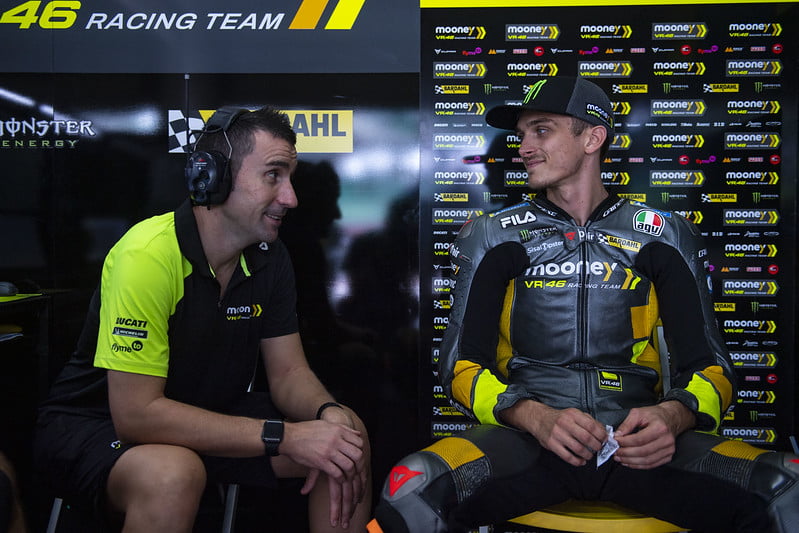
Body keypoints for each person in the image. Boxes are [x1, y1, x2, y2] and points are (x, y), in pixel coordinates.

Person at [368, 77, 799, 532]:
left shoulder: (664, 235)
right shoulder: (493, 235)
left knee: (787, 487)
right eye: (522, 134)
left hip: (637, 444)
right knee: (411, 489)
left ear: (593, 138)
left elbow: (713, 368)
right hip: (527, 441)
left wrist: (673, 416)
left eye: (541, 130)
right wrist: (533, 415)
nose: (524, 148)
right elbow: (460, 367)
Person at [34, 106, 371, 532]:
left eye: (290, 178)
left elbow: (288, 373)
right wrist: (285, 436)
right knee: (173, 474)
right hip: (97, 425)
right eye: (273, 175)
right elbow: (136, 416)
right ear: (213, 176)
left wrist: (327, 412)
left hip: (206, 413)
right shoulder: (148, 255)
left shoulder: (270, 256)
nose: (291, 198)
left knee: (346, 442)